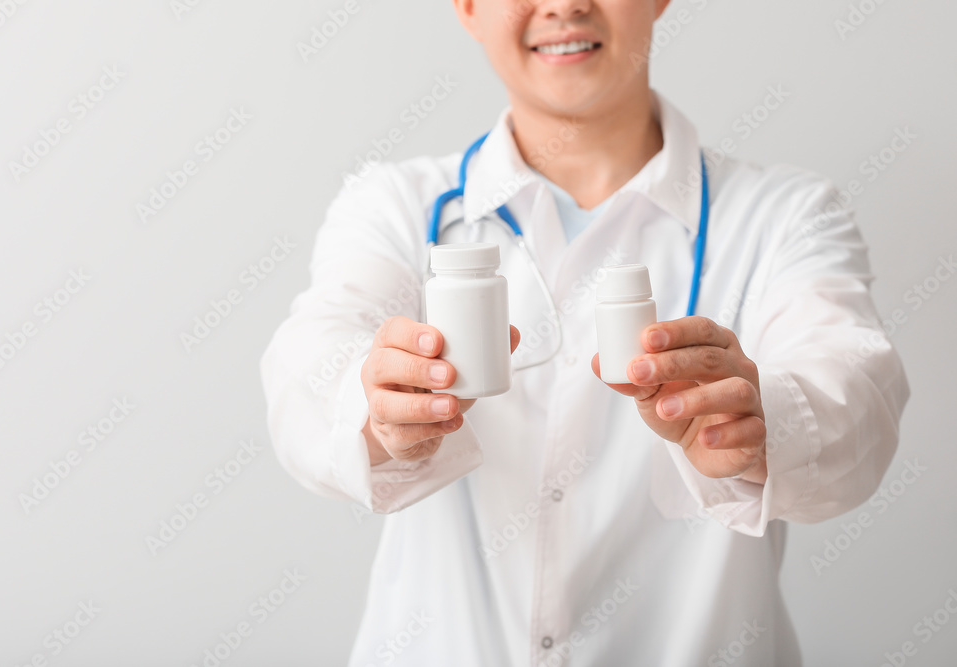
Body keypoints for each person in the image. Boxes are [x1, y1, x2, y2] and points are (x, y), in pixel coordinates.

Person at [260, 0, 909, 664]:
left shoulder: (787, 217)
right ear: (468, 7)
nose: (565, 5)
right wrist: (374, 404)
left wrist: (763, 424)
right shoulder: (393, 205)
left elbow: (855, 384)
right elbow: (311, 354)